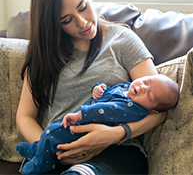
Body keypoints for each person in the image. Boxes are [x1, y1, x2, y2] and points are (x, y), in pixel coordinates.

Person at [16, 0, 167, 175]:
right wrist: (53, 148)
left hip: (116, 151)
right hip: (55, 152)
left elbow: (160, 110)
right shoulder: (45, 55)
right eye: (67, 20)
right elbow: (25, 117)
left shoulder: (122, 41)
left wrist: (116, 134)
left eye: (82, 6)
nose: (83, 22)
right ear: (54, 25)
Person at [16, 74, 179, 175]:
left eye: (149, 95)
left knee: (52, 133)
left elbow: (105, 109)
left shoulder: (134, 107)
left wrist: (118, 133)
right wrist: (98, 89)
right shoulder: (127, 88)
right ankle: (40, 149)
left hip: (107, 142)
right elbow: (24, 117)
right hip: (72, 135)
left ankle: (42, 162)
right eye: (145, 81)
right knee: (51, 134)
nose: (142, 87)